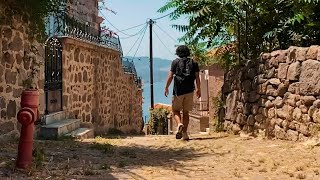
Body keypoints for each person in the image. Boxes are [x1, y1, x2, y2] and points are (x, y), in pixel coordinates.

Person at [164, 45, 201, 140]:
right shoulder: (194, 63)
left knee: (175, 110)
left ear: (178, 53)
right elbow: (197, 77)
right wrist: (198, 89)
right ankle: (185, 134)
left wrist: (166, 87)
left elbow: (171, 76)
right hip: (190, 90)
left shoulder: (175, 62)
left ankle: (179, 123)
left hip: (178, 91)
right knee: (186, 112)